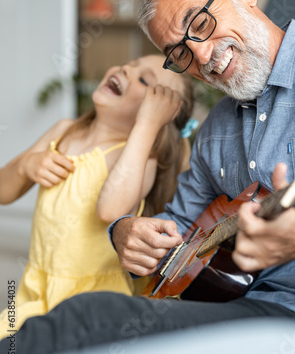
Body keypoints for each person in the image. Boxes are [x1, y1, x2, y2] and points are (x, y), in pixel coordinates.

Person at [1, 0, 295, 354]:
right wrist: (125, 232)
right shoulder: (216, 129)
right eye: (178, 54)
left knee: (86, 320)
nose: (200, 56)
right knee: (77, 329)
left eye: (199, 23)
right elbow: (175, 228)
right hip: (242, 310)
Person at [0, 54, 194, 339]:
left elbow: (110, 210)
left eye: (143, 80)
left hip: (93, 300)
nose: (125, 69)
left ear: (157, 114)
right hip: (35, 289)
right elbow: (4, 192)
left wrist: (147, 126)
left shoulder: (140, 157)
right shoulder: (64, 131)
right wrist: (27, 165)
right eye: (129, 64)